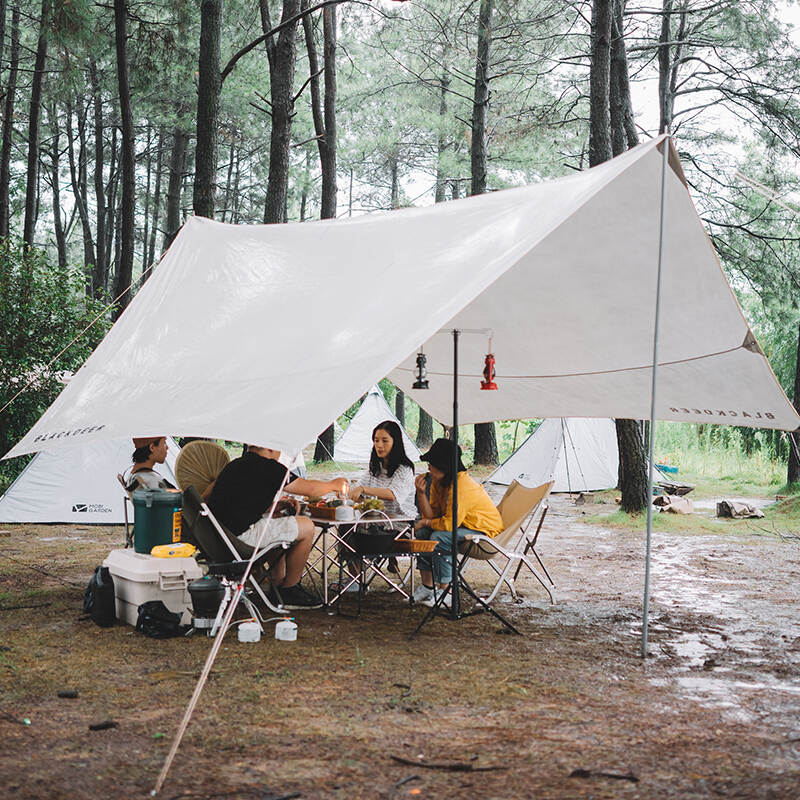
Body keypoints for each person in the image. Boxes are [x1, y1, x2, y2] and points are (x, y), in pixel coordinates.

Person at [207, 444, 349, 609]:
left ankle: (277, 582)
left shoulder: (234, 465)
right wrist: (334, 484)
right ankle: (290, 589)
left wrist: (279, 506)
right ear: (271, 448)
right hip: (242, 539)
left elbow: (243, 503)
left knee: (280, 523)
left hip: (221, 536)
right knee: (306, 526)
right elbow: (310, 489)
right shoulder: (271, 468)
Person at [412, 438, 503, 608]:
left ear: (444, 465)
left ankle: (447, 591)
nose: (428, 467)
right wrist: (421, 494)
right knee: (422, 533)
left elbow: (448, 525)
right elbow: (433, 516)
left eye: (432, 463)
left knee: (440, 536)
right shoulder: (439, 482)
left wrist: (425, 522)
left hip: (482, 532)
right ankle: (427, 587)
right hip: (462, 526)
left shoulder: (462, 485)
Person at [348, 420, 416, 517]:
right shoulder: (375, 468)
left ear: (395, 442)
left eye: (385, 441)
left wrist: (362, 489)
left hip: (399, 523)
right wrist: (348, 491)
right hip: (375, 521)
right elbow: (359, 492)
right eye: (376, 440)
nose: (379, 445)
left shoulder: (404, 469)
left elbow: (392, 495)